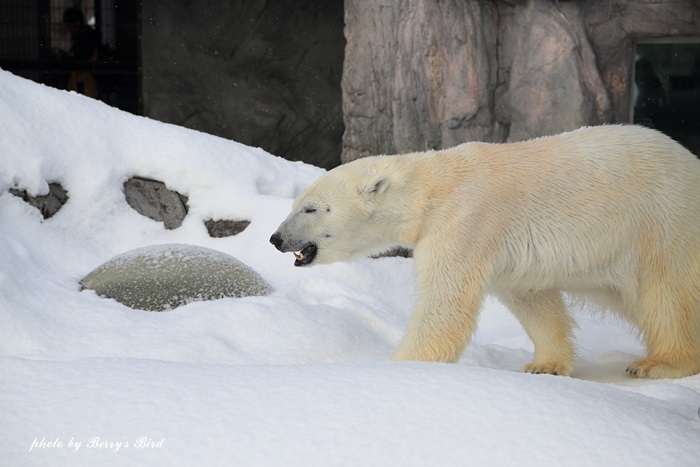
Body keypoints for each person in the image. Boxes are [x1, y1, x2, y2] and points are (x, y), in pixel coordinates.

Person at [52, 8, 100, 98]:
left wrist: (65, 56)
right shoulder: (83, 35)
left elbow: (81, 58)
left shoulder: (86, 37)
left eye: (69, 25)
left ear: (77, 23)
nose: (68, 29)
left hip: (85, 79)